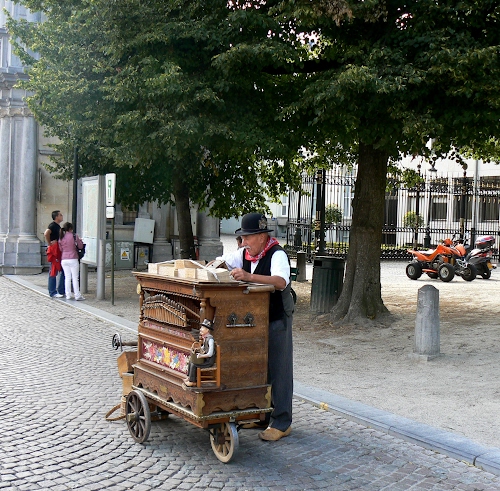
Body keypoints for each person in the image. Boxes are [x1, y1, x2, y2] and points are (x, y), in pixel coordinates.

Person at [218, 212, 294, 442]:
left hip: (277, 316)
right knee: (258, 366)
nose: (243, 242)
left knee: (279, 368)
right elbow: (223, 261)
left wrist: (248, 277)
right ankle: (262, 415)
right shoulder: (244, 253)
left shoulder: (277, 254)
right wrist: (215, 266)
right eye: (242, 238)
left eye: (247, 237)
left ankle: (282, 422)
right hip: (256, 319)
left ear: (262, 237)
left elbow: (280, 281)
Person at [184, 319, 216, 387]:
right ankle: (189, 378)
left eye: (203, 328)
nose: (200, 329)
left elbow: (210, 354)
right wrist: (199, 349)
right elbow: (204, 346)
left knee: (194, 365)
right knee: (191, 361)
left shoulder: (210, 340)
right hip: (205, 359)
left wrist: (201, 356)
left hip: (209, 361)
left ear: (207, 330)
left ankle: (192, 382)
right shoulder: (205, 338)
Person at [58, 222, 85, 301]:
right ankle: (77, 295)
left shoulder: (61, 237)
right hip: (73, 258)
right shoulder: (74, 236)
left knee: (67, 277)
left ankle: (68, 295)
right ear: (71, 228)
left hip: (64, 259)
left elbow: (61, 249)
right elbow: (80, 246)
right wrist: (80, 241)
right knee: (75, 278)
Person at [44, 210, 65, 298]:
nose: (62, 216)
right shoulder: (53, 225)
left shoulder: (57, 226)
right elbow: (46, 233)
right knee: (53, 270)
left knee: (60, 269)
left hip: (57, 250)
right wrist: (49, 243)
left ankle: (60, 290)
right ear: (56, 217)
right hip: (54, 250)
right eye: (60, 215)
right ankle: (52, 291)